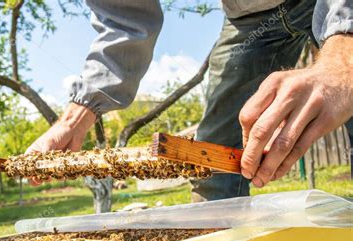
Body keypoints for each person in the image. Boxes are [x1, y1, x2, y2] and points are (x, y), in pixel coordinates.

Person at [26, 0, 353, 200]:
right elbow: (126, 17)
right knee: (210, 169)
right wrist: (76, 116)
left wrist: (344, 55)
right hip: (249, 16)